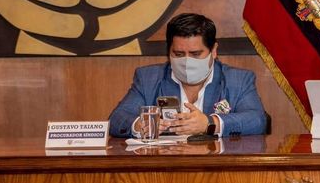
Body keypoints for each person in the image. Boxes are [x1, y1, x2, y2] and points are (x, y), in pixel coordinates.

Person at [109, 13, 267, 138]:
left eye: (195, 54)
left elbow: (257, 120)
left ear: (213, 51)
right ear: (168, 52)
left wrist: (210, 123)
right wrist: (140, 125)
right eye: (178, 54)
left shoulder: (238, 80)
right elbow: (117, 119)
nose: (186, 61)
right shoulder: (148, 79)